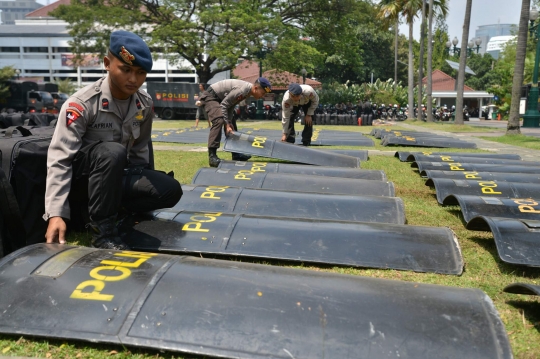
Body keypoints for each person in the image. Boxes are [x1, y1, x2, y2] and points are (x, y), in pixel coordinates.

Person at [44, 30, 183, 250]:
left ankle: (111, 210)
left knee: (170, 190)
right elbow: (60, 160)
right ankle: (102, 232)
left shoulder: (143, 104)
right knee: (112, 151)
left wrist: (144, 193)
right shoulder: (81, 104)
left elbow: (139, 152)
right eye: (126, 70)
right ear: (107, 63)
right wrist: (56, 213)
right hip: (82, 183)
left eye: (140, 72)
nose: (133, 79)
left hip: (115, 180)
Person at [199, 77, 272, 166]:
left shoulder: (247, 91)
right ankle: (212, 156)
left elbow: (230, 105)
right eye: (263, 93)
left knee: (231, 124)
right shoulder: (243, 90)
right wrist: (226, 124)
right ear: (256, 88)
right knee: (219, 119)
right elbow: (224, 105)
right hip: (211, 97)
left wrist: (229, 123)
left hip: (220, 100)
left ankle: (236, 154)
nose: (262, 96)